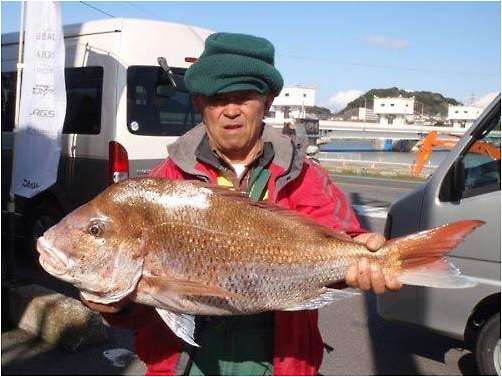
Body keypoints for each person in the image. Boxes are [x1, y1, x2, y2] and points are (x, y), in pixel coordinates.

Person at [82, 32, 402, 376]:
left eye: (244, 97)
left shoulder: (306, 177)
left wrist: (363, 258)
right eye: (218, 99)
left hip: (279, 365)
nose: (231, 110)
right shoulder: (166, 183)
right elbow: (142, 309)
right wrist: (116, 305)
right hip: (188, 367)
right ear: (199, 105)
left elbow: (343, 244)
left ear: (267, 102)